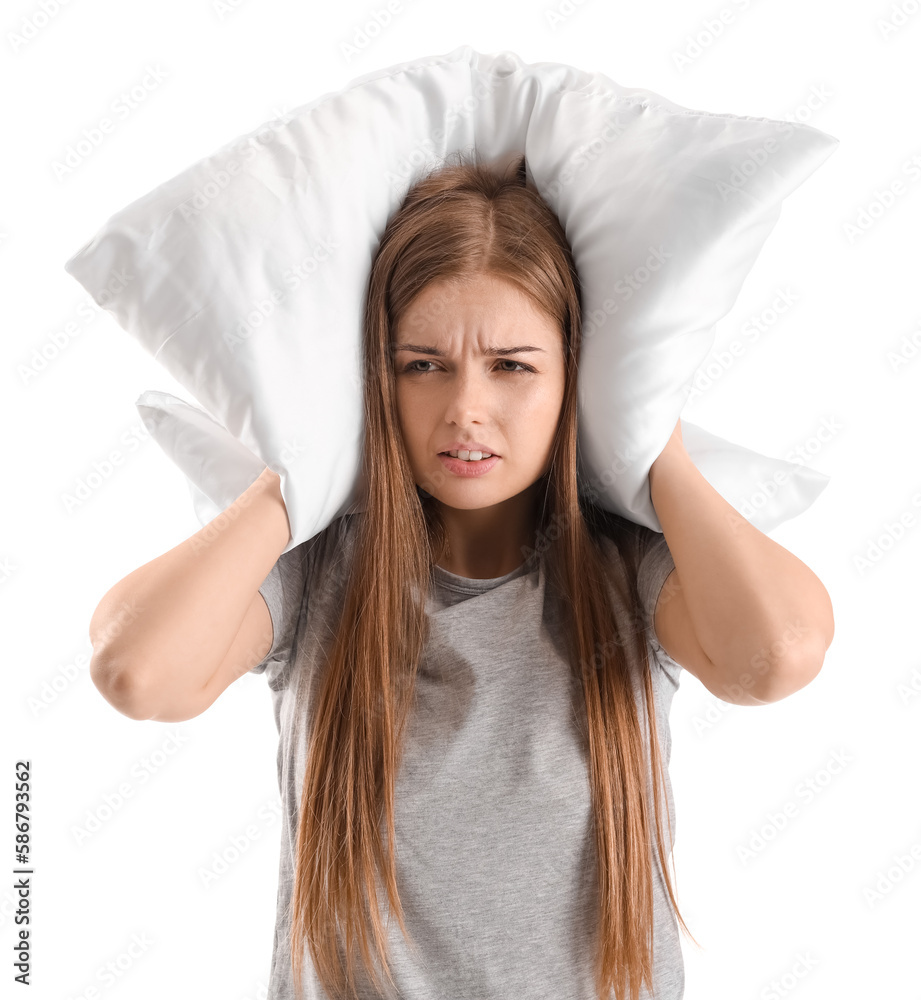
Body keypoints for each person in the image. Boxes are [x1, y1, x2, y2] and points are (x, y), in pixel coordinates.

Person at [88, 151, 835, 1000]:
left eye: (512, 366)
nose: (464, 410)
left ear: (574, 381)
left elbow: (778, 655)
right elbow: (135, 672)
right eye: (421, 365)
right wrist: (293, 476)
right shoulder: (316, 576)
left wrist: (645, 434)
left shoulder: (629, 571)